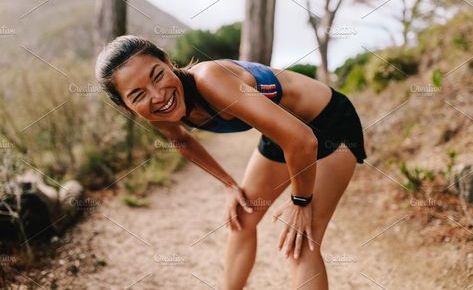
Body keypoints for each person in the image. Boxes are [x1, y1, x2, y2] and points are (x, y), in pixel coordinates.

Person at [95, 35, 367, 290]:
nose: (158, 95)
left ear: (168, 62)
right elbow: (182, 141)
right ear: (125, 106)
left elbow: (303, 140)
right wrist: (228, 184)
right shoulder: (157, 114)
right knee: (242, 219)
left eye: (158, 76)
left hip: (329, 124)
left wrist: (301, 202)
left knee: (303, 239)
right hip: (283, 134)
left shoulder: (210, 79)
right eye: (138, 95)